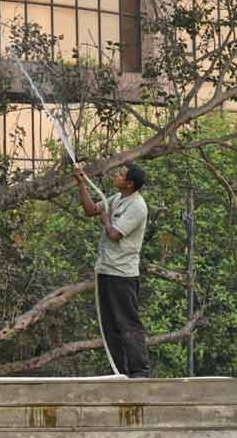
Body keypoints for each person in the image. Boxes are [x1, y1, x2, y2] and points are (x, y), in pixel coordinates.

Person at [74, 161, 151, 378]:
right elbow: (91, 210)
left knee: (128, 323)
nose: (116, 175)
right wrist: (81, 183)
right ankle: (119, 371)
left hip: (122, 274)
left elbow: (115, 234)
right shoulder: (117, 198)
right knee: (110, 326)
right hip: (106, 270)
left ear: (130, 183)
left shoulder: (137, 206)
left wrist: (106, 220)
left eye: (121, 174)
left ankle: (140, 371)